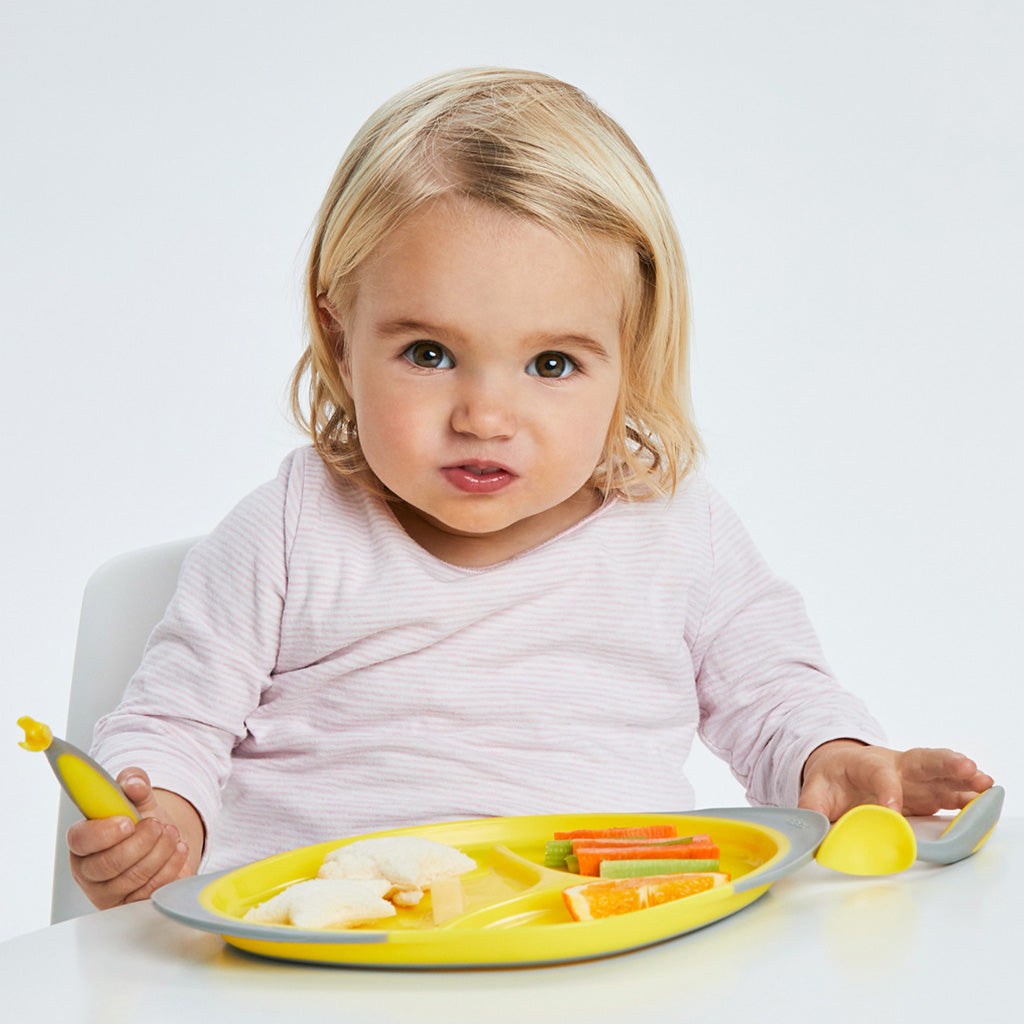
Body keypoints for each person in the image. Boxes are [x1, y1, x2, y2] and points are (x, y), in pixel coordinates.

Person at [68, 68, 993, 910]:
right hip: (324, 959)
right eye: (428, 353)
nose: (484, 415)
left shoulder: (676, 532)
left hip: (606, 948)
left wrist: (828, 755)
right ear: (339, 331)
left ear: (631, 356)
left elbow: (773, 690)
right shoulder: (288, 527)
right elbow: (176, 715)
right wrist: (164, 809)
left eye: (551, 363)